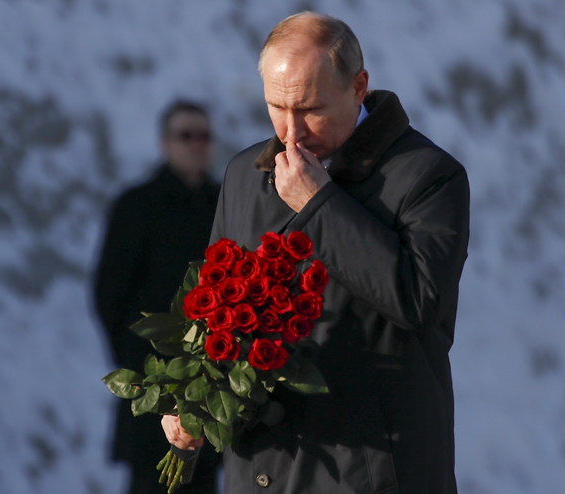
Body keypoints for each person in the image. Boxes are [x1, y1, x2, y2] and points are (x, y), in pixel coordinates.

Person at [162, 12, 470, 494]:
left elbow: (419, 301)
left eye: (309, 109)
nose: (290, 132)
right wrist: (190, 398)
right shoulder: (245, 172)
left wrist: (319, 203)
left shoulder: (428, 176)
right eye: (275, 107)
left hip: (368, 469)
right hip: (260, 469)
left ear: (358, 86)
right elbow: (213, 309)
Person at [94, 100, 222, 493]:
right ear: (164, 143)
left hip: (214, 382)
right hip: (152, 381)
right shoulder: (136, 206)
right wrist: (139, 370)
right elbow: (108, 294)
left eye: (203, 136)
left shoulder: (224, 204)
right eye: (186, 135)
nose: (196, 144)